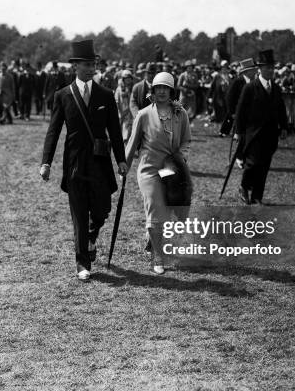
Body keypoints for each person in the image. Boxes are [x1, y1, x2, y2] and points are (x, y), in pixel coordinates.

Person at [40, 40, 127, 281]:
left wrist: (121, 159)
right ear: (75, 66)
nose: (91, 68)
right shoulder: (63, 95)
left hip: (100, 163)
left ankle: (90, 237)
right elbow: (53, 131)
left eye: (94, 64)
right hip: (75, 164)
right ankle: (82, 263)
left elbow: (115, 132)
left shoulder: (106, 95)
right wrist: (46, 162)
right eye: (87, 64)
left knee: (102, 209)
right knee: (79, 214)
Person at [125, 72, 191, 274]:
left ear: (172, 91)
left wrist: (180, 159)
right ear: (152, 91)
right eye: (158, 88)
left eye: (166, 88)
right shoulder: (144, 114)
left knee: (168, 210)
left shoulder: (181, 114)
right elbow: (132, 143)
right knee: (155, 207)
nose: (162, 91)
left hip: (171, 169)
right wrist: (123, 167)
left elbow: (186, 141)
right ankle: (157, 256)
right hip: (149, 170)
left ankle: (151, 236)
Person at [234, 49, 288, 205]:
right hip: (253, 134)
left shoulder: (276, 89)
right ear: (260, 69)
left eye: (272, 68)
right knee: (252, 163)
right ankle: (243, 187)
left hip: (270, 135)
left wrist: (284, 127)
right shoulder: (250, 88)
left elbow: (281, 109)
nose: (271, 71)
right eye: (267, 68)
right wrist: (239, 132)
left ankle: (257, 196)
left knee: (264, 166)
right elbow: (240, 112)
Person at [114, 69, 134, 143]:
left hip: (132, 115)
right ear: (123, 79)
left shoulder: (134, 88)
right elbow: (116, 101)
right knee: (123, 135)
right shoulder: (119, 89)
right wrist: (119, 113)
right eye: (126, 78)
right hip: (123, 115)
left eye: (129, 78)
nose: (128, 80)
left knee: (130, 135)